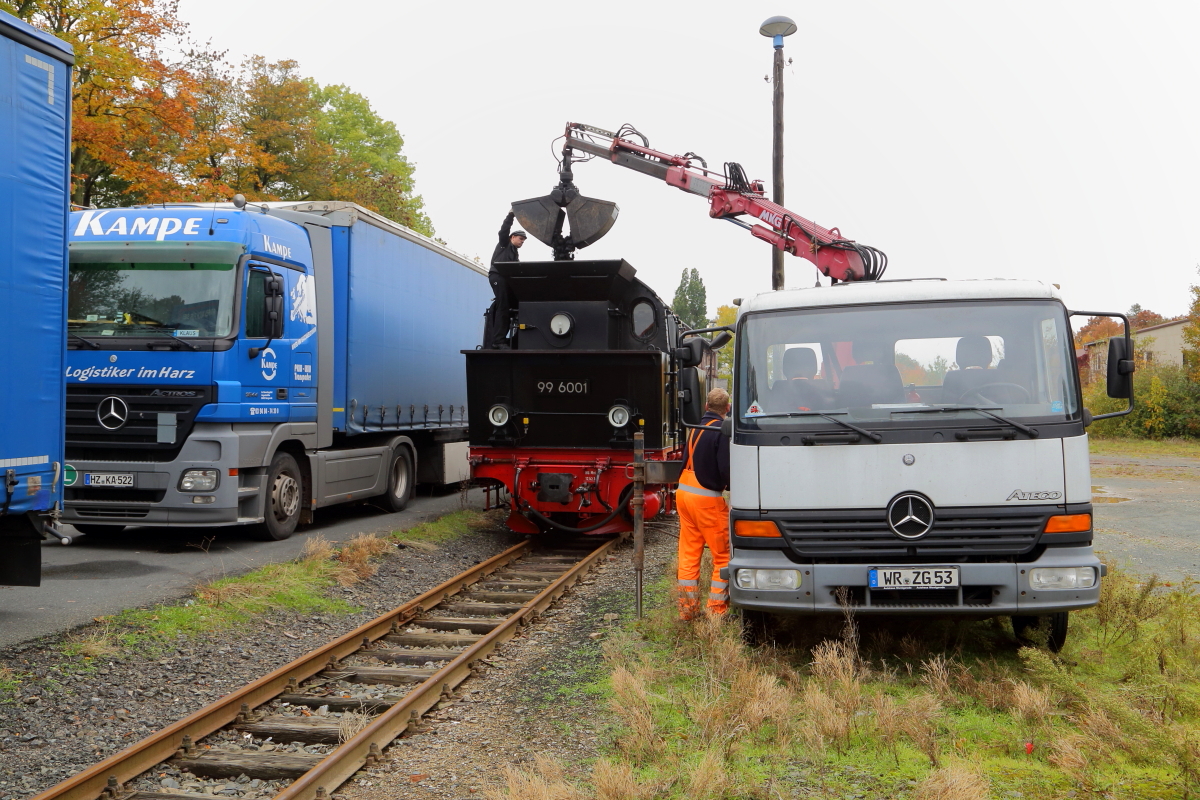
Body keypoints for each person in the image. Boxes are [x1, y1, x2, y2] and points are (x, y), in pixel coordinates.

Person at [675, 387, 732, 620]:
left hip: (684, 494)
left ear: (706, 407)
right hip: (706, 500)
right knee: (723, 557)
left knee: (689, 554)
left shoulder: (696, 430)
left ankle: (687, 610)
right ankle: (716, 611)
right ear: (727, 409)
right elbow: (725, 469)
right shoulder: (720, 431)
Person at [487, 211, 527, 348]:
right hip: (498, 276)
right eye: (521, 239)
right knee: (503, 306)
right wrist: (511, 215)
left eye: (524, 240)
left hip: (507, 280)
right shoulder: (504, 244)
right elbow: (503, 230)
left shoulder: (515, 254)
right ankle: (498, 341)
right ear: (512, 237)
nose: (522, 242)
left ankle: (516, 338)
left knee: (518, 304)